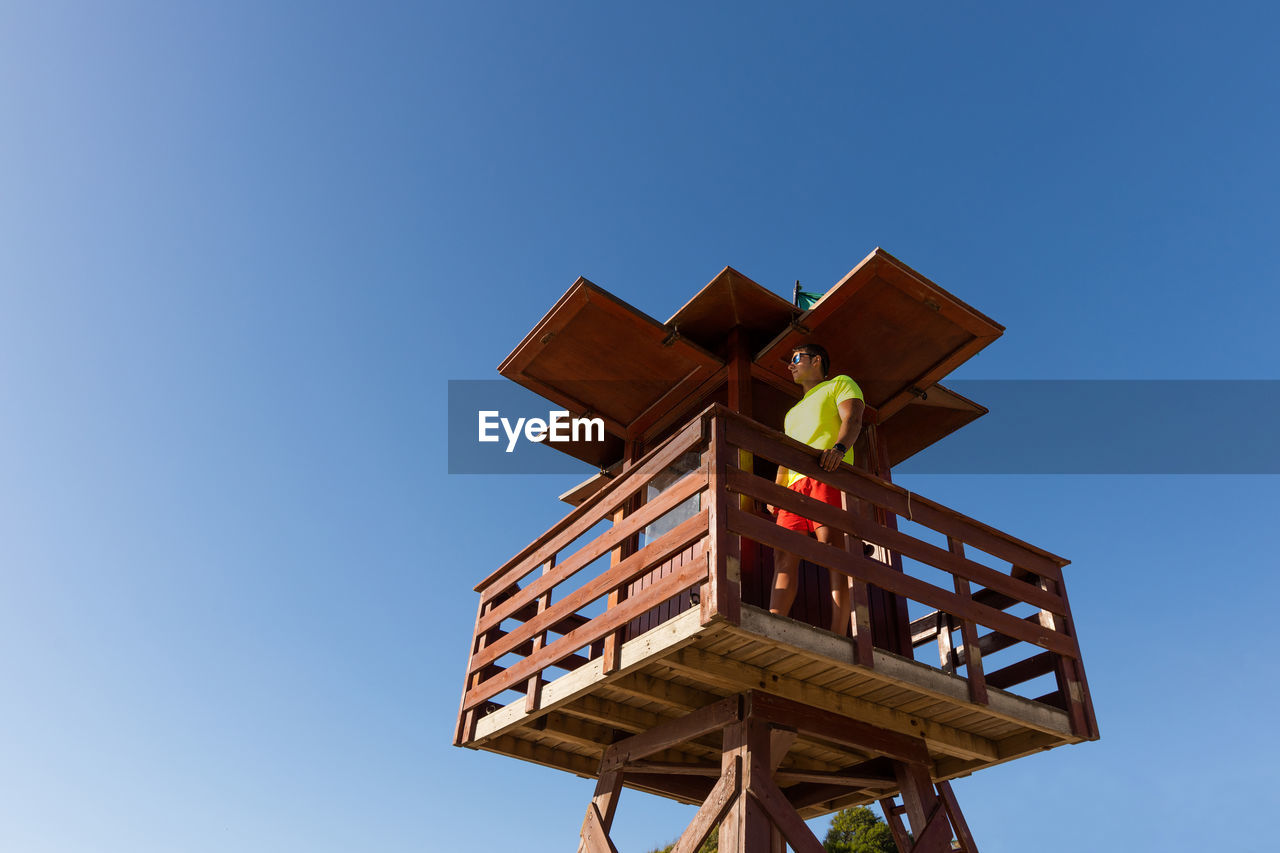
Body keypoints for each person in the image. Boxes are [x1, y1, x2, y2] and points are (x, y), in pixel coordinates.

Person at [766, 344, 864, 635]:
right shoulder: (791, 413)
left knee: (833, 551)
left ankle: (838, 635)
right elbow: (786, 454)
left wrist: (839, 448)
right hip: (794, 487)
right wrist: (776, 489)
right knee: (783, 556)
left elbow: (853, 418)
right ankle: (775, 624)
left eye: (796, 359)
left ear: (816, 360)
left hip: (827, 474)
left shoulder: (839, 383)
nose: (790, 365)